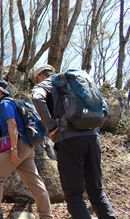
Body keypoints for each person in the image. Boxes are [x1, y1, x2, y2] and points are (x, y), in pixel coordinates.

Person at [32, 64, 116, 219]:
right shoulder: (73, 82)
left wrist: (51, 127)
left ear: (39, 77)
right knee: (96, 191)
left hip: (69, 141)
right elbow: (104, 102)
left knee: (74, 195)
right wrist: (95, 128)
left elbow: (37, 98)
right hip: (92, 138)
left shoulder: (45, 84)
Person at [0, 79, 53, 219]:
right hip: (27, 147)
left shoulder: (5, 103)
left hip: (17, 145)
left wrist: (13, 149)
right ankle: (46, 216)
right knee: (35, 183)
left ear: (0, 91)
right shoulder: (10, 104)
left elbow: (12, 125)